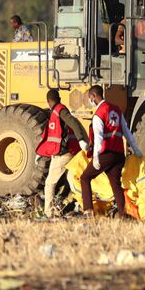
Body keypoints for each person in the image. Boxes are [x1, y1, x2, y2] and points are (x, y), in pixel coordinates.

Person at [80, 86, 142, 217]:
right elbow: (127, 132)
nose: (90, 100)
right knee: (115, 184)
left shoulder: (99, 114)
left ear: (94, 96)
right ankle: (123, 213)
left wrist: (96, 157)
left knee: (85, 178)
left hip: (106, 153)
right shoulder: (116, 109)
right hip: (119, 154)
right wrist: (136, 149)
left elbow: (99, 138)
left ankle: (88, 211)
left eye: (90, 97)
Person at [36, 89, 88, 217]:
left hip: (62, 155)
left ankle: (48, 212)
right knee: (72, 180)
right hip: (67, 153)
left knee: (49, 184)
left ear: (48, 101)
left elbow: (73, 123)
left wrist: (81, 139)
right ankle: (84, 207)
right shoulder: (57, 112)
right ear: (58, 98)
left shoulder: (59, 111)